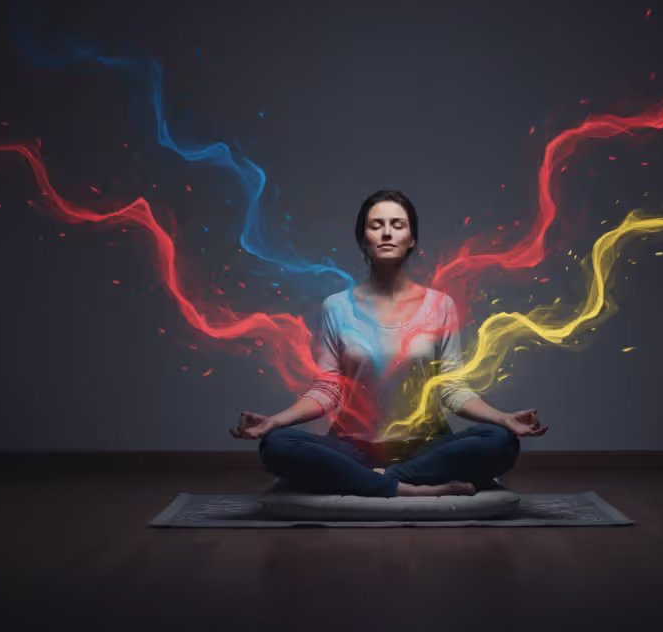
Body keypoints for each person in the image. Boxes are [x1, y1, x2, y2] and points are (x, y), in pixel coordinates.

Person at [229, 189, 549, 497]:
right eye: (376, 225)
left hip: (426, 448)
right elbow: (326, 390)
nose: (386, 233)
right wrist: (275, 420)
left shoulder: (441, 305)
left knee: (500, 442)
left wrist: (503, 417)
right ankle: (404, 488)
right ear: (362, 240)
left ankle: (374, 483)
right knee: (277, 445)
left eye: (397, 225)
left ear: (412, 240)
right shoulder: (336, 307)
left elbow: (452, 389)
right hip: (352, 448)